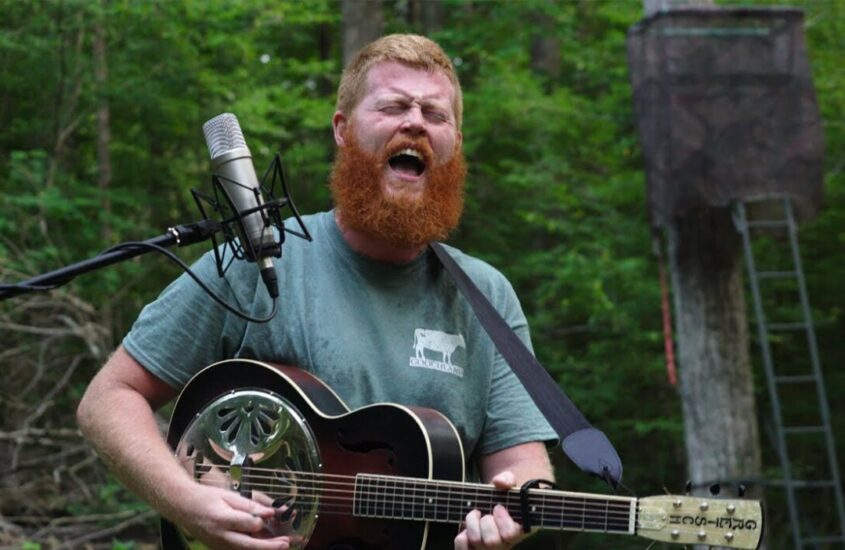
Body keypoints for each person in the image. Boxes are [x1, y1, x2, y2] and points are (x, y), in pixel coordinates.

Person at [77, 34, 556, 550]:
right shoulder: (258, 260)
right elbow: (109, 398)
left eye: (435, 114)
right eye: (393, 105)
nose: (415, 121)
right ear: (343, 130)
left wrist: (516, 510)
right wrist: (185, 500)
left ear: (454, 145)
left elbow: (521, 465)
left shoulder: (486, 296)